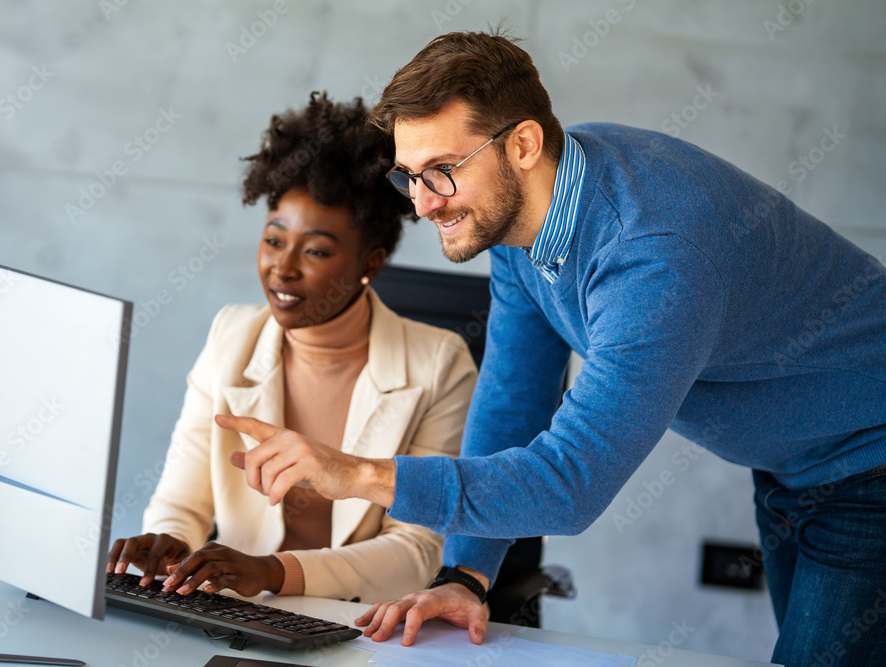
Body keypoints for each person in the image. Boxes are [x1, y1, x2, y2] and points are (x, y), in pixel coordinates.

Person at [217, 31, 886, 665]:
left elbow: (570, 484)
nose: (422, 205)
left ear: (524, 145)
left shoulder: (655, 259)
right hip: (791, 468)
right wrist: (466, 574)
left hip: (868, 460)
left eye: (441, 171)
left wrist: (356, 474)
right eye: (409, 176)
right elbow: (514, 398)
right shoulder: (523, 218)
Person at [106, 92, 477, 604]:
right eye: (275, 240)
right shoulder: (231, 336)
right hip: (235, 610)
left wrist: (275, 573)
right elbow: (182, 499)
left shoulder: (440, 363)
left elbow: (416, 551)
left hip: (360, 627)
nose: (283, 268)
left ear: (369, 262)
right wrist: (167, 541)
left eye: (317, 251)